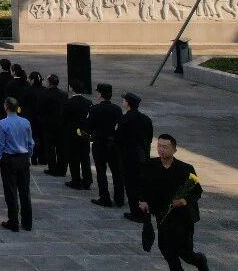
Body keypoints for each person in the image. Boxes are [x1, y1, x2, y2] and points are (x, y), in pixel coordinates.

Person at [138, 134, 208, 271]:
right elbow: (143, 186)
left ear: (174, 150)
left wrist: (185, 200)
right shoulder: (150, 166)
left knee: (185, 253)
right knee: (166, 249)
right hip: (163, 215)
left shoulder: (186, 169)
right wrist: (143, 201)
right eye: (159, 146)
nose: (161, 150)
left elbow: (197, 191)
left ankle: (200, 261)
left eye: (165, 147)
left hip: (183, 217)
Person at [0, 96, 33, 232]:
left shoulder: (2, 124)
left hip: (9, 159)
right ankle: (27, 222)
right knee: (24, 191)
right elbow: (30, 142)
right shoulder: (26, 122)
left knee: (11, 191)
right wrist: (29, 156)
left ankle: (13, 221)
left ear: (6, 107)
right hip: (23, 157)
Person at [117, 91, 154, 223]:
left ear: (127, 103)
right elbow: (149, 138)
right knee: (142, 186)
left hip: (129, 157)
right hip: (143, 156)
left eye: (124, 101)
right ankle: (144, 211)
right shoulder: (146, 119)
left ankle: (136, 213)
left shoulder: (125, 119)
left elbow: (119, 138)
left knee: (131, 186)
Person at [89, 82, 124, 208]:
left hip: (100, 143)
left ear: (100, 94)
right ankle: (119, 198)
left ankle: (105, 198)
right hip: (113, 143)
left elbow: (90, 125)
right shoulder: (117, 109)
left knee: (101, 171)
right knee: (116, 172)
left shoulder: (94, 109)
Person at [63, 78, 93, 191]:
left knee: (73, 157)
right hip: (84, 133)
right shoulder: (88, 103)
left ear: (72, 88)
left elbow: (64, 118)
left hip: (72, 133)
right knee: (85, 157)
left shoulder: (69, 103)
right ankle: (87, 180)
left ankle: (76, 180)